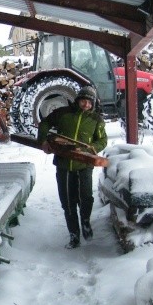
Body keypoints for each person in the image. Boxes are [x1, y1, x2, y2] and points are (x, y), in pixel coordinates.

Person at [38, 85, 108, 249]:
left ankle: (85, 221)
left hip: (84, 165)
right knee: (68, 202)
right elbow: (45, 124)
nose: (86, 105)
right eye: (84, 101)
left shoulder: (96, 120)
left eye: (89, 103)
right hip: (63, 165)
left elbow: (102, 140)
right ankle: (74, 235)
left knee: (86, 198)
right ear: (78, 100)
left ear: (93, 104)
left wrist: (91, 148)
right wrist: (43, 141)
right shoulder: (63, 113)